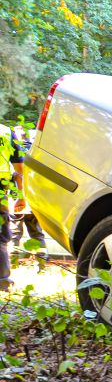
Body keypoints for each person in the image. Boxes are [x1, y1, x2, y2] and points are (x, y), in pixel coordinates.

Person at [8, 126, 46, 257]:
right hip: (35, 197)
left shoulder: (13, 151)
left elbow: (15, 173)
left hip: (17, 197)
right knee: (36, 231)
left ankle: (13, 259)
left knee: (14, 230)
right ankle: (41, 262)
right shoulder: (37, 152)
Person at [0, 122, 23, 291]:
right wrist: (20, 196)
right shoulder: (6, 132)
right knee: (1, 237)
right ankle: (3, 280)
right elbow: (19, 167)